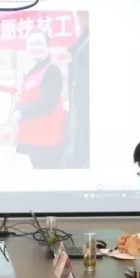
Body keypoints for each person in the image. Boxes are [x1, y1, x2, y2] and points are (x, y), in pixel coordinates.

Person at [13, 29, 66, 169]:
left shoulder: (52, 71)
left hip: (48, 140)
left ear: (47, 46)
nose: (34, 48)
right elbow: (24, 98)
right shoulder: (34, 71)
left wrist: (21, 113)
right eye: (31, 44)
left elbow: (47, 104)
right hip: (33, 137)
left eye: (39, 43)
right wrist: (17, 108)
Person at [64, 10, 90, 169]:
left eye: (83, 14)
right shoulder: (82, 42)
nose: (80, 19)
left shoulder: (90, 43)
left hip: (87, 104)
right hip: (79, 102)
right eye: (78, 15)